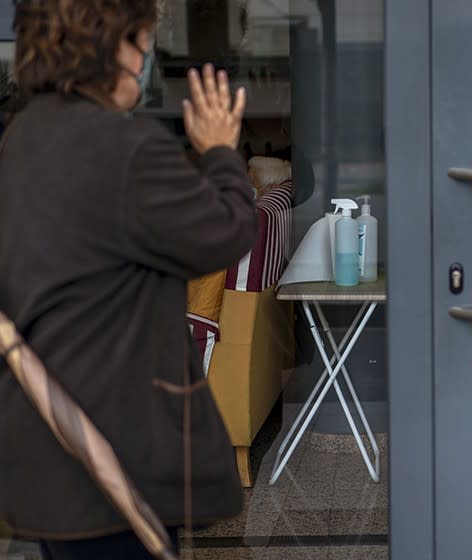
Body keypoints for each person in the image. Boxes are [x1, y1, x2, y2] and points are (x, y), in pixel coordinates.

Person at [0, 0, 255, 557]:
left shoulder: (23, 137)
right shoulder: (125, 148)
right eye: (142, 43)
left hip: (48, 436)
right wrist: (219, 154)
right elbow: (225, 232)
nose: (145, 60)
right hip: (117, 447)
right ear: (108, 44)